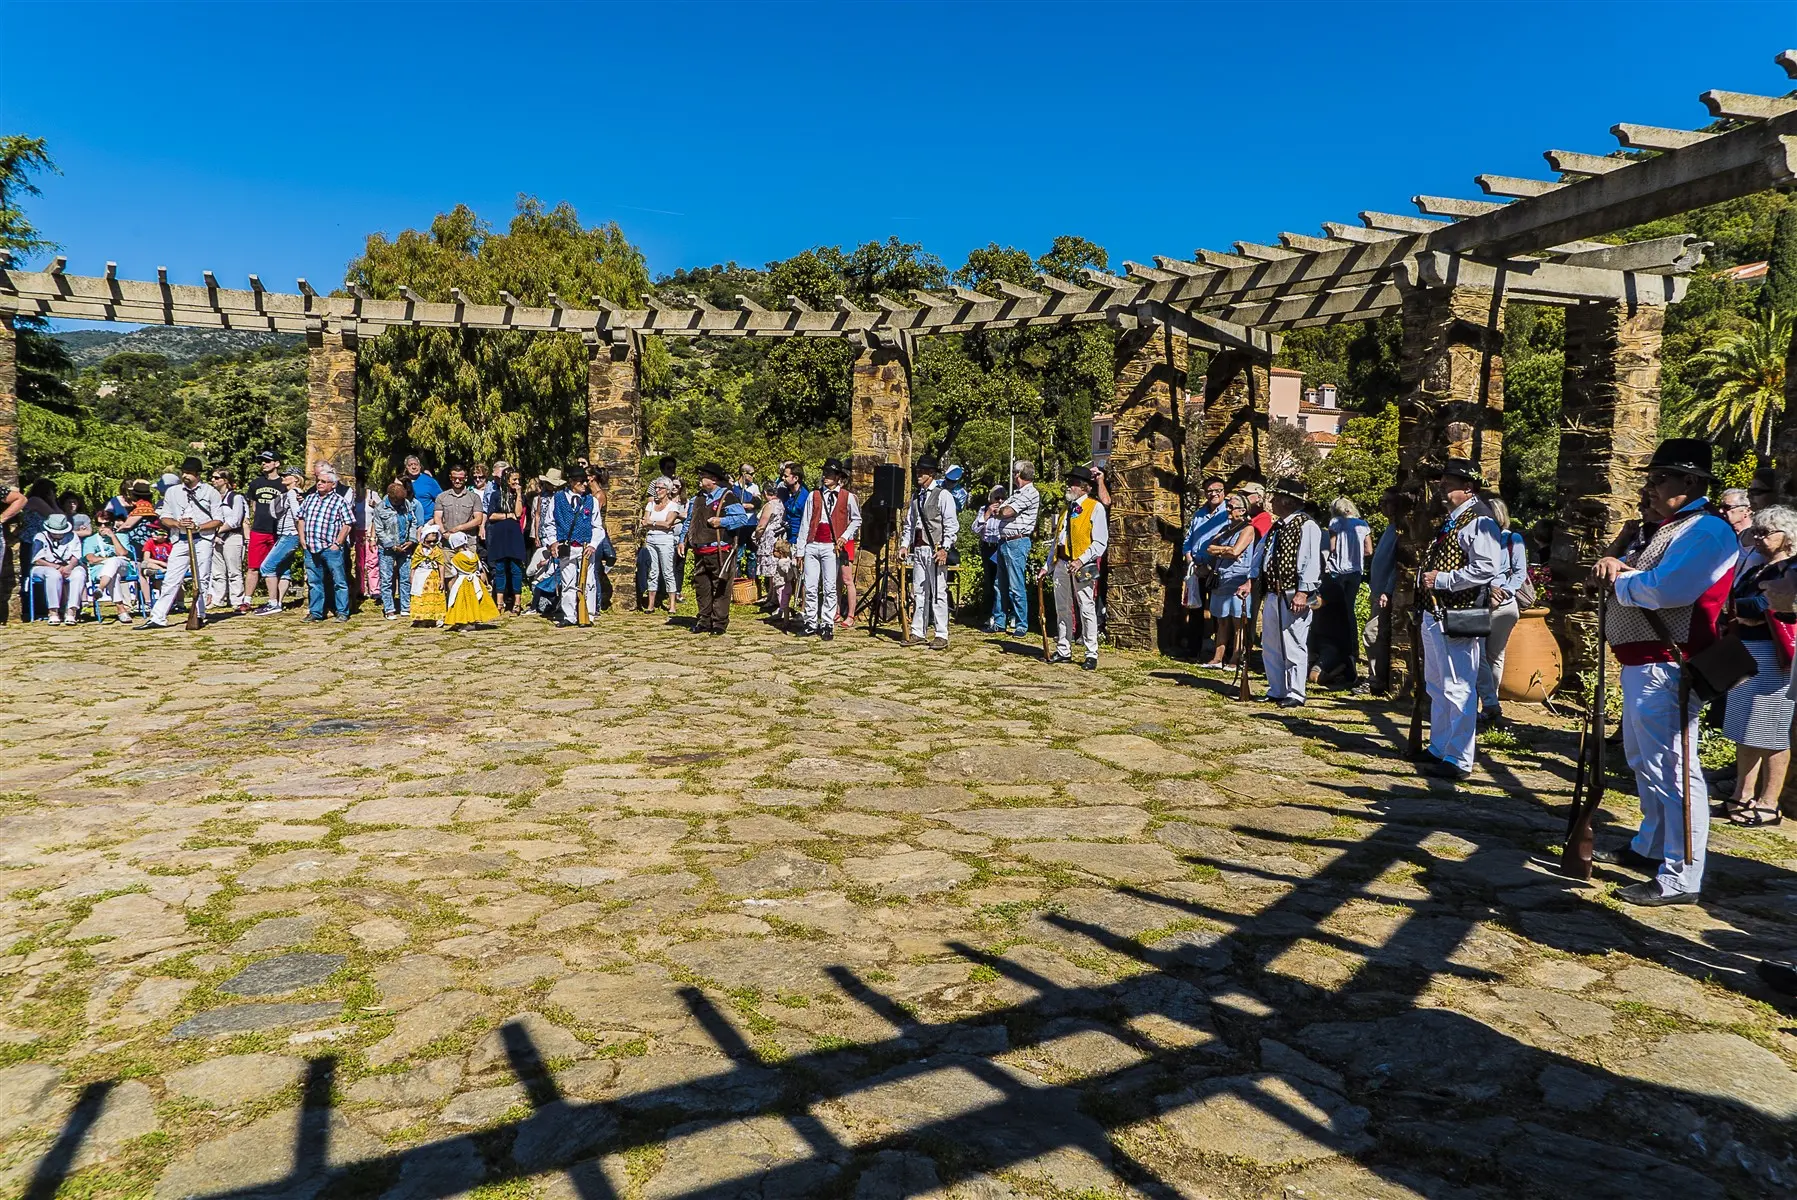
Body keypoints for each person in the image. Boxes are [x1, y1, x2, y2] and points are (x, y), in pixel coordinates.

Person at [1593, 438, 1738, 906]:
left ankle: (1682, 873)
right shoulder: (1668, 528)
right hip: (1643, 663)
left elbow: (1670, 589)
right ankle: (1651, 845)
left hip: (1669, 664)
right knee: (1645, 761)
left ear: (1690, 482)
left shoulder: (1707, 531)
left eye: (1660, 479)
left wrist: (1622, 580)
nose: (1650, 488)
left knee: (1674, 769)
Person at [1416, 460, 1504, 779]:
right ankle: (1440, 747)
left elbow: (1486, 567)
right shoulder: (1454, 520)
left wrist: (1443, 580)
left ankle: (1459, 758)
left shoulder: (1480, 521)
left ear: (1468, 488)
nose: (1442, 488)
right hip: (1437, 611)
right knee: (1438, 684)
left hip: (1460, 611)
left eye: (1448, 484)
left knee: (1459, 686)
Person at [1717, 505, 1797, 826]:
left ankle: (1768, 803)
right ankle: (1741, 795)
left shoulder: (1791, 569)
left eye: (1767, 533)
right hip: (1747, 649)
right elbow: (1741, 600)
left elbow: (1768, 603)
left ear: (1787, 535)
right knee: (1744, 729)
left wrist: (1733, 607)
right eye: (1757, 532)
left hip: (1775, 654)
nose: (1760, 539)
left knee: (1772, 733)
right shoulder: (1759, 568)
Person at [1249, 479, 1321, 709]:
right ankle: (1277, 689)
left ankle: (1296, 692)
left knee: (1294, 643)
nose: (1271, 502)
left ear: (1287, 501)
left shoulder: (1306, 525)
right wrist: (1251, 582)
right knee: (1271, 644)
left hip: (1292, 594)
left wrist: (1303, 591)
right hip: (1273, 593)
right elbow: (1263, 554)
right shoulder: (1278, 526)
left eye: (1276, 498)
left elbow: (1310, 562)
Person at [140, 457, 222, 631]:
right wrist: (177, 524)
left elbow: (218, 520)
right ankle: (158, 616)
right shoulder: (173, 492)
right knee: (171, 578)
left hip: (203, 540)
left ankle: (199, 614)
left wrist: (199, 526)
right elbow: (165, 517)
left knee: (201, 579)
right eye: (184, 472)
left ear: (198, 475)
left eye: (189, 473)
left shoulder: (210, 492)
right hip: (180, 539)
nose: (185, 476)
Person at [1043, 465, 1109, 670]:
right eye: (1069, 482)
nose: (1069, 486)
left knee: (1086, 606)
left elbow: (1100, 542)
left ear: (1085, 487)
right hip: (1062, 563)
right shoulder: (1066, 509)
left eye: (1073, 483)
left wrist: (1081, 559)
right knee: (1062, 607)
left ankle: (1091, 652)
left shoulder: (1094, 507)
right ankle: (1064, 648)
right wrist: (1048, 565)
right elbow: (1057, 540)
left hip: (1082, 564)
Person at [1475, 498, 1530, 731]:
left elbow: (1520, 573)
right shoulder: (1478, 537)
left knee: (1494, 656)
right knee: (1476, 654)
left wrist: (1503, 592)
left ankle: (1490, 703)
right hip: (1478, 601)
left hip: (1504, 605)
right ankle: (1490, 703)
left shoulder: (1512, 540)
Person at [686, 462, 755, 635]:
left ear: (714, 479)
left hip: (720, 549)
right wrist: (683, 540)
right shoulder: (697, 498)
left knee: (722, 587)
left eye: (704, 475)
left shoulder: (728, 497)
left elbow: (741, 518)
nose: (700, 478)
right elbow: (689, 521)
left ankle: (719, 623)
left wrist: (721, 522)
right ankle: (704, 620)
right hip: (700, 549)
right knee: (702, 588)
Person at [795, 459, 860, 640]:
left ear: (838, 477)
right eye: (825, 473)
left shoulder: (847, 497)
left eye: (830, 474)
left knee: (830, 586)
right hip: (813, 543)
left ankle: (827, 623)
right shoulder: (814, 495)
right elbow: (805, 522)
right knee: (810, 585)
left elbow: (856, 519)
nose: (826, 477)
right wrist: (801, 550)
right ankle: (810, 621)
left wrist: (845, 536)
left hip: (831, 546)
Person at [901, 456, 957, 650]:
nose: (919, 474)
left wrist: (945, 548)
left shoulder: (943, 496)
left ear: (931, 474)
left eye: (923, 471)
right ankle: (918, 631)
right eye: (918, 471)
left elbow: (951, 525)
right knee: (919, 591)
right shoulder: (916, 497)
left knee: (939, 592)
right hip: (919, 549)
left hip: (935, 549)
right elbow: (910, 524)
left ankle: (941, 633)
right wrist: (904, 545)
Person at [1318, 497, 1372, 688]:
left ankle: (1339, 650)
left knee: (1336, 611)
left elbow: (1332, 548)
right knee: (1350, 610)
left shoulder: (1335, 523)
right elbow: (1368, 550)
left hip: (1338, 571)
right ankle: (1353, 647)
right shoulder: (1362, 524)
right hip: (1356, 571)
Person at [1361, 488, 1407, 697]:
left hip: (1385, 593)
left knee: (1372, 633)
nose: (1383, 506)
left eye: (1387, 502)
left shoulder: (1400, 530)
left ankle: (1376, 680)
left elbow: (1399, 564)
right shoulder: (1390, 528)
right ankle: (1377, 679)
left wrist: (1388, 591)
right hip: (1377, 590)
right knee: (1376, 634)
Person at [1202, 494, 1257, 669]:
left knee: (1238, 621)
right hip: (1222, 578)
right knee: (1222, 619)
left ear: (1242, 510)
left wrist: (1225, 551)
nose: (1227, 510)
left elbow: (1236, 552)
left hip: (1237, 579)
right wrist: (1225, 549)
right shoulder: (1226, 528)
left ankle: (1236, 658)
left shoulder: (1248, 529)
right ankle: (1218, 658)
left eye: (1231, 507)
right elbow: (1209, 547)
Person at [297, 464, 354, 623]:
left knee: (339, 581)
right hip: (311, 547)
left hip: (330, 548)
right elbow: (300, 518)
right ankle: (316, 612)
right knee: (314, 582)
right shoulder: (310, 499)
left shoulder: (339, 501)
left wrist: (338, 542)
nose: (319, 483)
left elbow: (348, 523)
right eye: (318, 480)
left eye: (323, 481)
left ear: (333, 484)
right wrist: (302, 539)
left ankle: (342, 612)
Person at [1183, 477, 1233, 657]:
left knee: (1219, 611)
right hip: (1197, 569)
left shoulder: (1228, 514)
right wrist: (1191, 561)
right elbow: (1188, 541)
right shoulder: (1199, 515)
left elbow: (1229, 544)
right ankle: (1193, 649)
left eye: (1217, 490)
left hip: (1217, 570)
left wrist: (1210, 566)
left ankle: (1221, 651)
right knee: (1195, 608)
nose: (1213, 493)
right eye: (1209, 490)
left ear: (1224, 491)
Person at [991, 461, 1040, 637]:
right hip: (1004, 541)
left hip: (1017, 542)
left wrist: (999, 511)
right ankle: (999, 621)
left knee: (1016, 585)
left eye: (1014, 472)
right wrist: (1000, 510)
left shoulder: (1030, 493)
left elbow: (1005, 512)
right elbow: (1002, 509)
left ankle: (1021, 624)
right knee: (999, 584)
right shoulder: (1016, 494)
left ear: (1019, 474)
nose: (1012, 475)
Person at [551, 467, 602, 627]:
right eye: (582, 482)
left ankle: (589, 615)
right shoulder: (557, 499)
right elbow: (549, 523)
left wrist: (593, 545)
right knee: (567, 581)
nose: (585, 484)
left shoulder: (591, 500)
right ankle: (569, 616)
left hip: (585, 546)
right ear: (572, 482)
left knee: (589, 582)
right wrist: (553, 542)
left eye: (586, 481)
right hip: (566, 547)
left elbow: (598, 527)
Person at [252, 468, 304, 614]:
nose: (284, 477)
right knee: (284, 570)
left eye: (288, 475)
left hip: (289, 535)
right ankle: (279, 602)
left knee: (267, 567)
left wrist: (300, 535)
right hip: (286, 535)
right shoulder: (292, 494)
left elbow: (297, 514)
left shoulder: (293, 494)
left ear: (295, 479)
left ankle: (273, 602)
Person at [373, 481, 424, 619]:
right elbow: (379, 529)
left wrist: (412, 539)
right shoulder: (380, 508)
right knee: (387, 579)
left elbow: (413, 522)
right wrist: (390, 544)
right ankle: (389, 608)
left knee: (405, 577)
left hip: (405, 546)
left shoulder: (407, 504)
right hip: (387, 549)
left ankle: (405, 606)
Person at [243, 452, 286, 614]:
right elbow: (253, 505)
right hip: (258, 530)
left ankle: (274, 601)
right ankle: (247, 600)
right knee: (253, 566)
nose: (264, 464)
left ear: (277, 463)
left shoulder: (283, 483)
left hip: (277, 531)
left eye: (268, 461)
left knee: (273, 567)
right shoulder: (255, 483)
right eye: (262, 461)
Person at [204, 467, 248, 612]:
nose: (213, 480)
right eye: (212, 478)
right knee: (217, 571)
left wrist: (218, 530)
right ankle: (218, 599)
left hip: (233, 536)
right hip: (215, 538)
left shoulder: (235, 498)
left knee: (234, 571)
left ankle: (237, 600)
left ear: (226, 480)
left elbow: (236, 519)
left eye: (217, 478)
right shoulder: (213, 497)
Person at [485, 467, 528, 614]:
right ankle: (500, 601)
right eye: (514, 479)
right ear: (507, 480)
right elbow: (491, 515)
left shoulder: (520, 496)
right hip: (500, 534)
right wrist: (506, 516)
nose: (516, 482)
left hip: (514, 534)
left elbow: (518, 513)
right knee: (500, 568)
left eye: (518, 479)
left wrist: (519, 494)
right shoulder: (496, 495)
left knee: (516, 568)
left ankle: (517, 602)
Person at [31, 513, 87, 625]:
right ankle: (53, 612)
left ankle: (71, 611)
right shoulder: (40, 537)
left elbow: (76, 556)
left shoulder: (73, 536)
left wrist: (69, 567)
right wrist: (57, 567)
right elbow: (37, 559)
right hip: (44, 567)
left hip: (68, 565)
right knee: (53, 575)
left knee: (80, 573)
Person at [84, 511, 136, 623]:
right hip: (100, 569)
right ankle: (121, 609)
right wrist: (108, 560)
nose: (103, 527)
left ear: (112, 524)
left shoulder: (121, 536)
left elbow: (122, 553)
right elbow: (91, 559)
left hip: (123, 566)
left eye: (106, 524)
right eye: (99, 524)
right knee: (114, 574)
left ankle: (100, 588)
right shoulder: (90, 540)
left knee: (114, 562)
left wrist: (113, 536)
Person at [642, 478, 683, 612]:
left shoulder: (673, 506)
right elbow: (644, 521)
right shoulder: (651, 504)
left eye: (660, 488)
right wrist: (654, 523)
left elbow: (668, 523)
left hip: (665, 540)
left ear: (668, 490)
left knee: (667, 571)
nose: (657, 491)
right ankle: (651, 604)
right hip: (651, 539)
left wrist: (652, 523)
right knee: (652, 571)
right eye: (656, 488)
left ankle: (672, 605)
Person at [443, 532, 499, 629]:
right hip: (475, 581)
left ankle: (465, 622)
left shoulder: (456, 558)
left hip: (462, 581)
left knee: (463, 602)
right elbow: (479, 568)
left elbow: (453, 572)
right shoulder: (473, 555)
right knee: (474, 600)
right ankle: (473, 620)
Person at [974, 485, 1007, 632]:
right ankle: (988, 615)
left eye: (1002, 498)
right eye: (996, 498)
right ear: (990, 498)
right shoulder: (983, 510)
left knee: (999, 583)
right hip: (987, 547)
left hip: (1000, 546)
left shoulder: (1007, 511)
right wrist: (987, 514)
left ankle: (1001, 616)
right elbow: (974, 529)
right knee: (989, 582)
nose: (999, 501)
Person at [753, 482, 789, 607]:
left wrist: (756, 536)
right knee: (774, 569)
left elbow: (762, 524)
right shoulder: (781, 504)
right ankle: (771, 595)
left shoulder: (770, 505)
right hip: (778, 536)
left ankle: (773, 597)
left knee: (772, 569)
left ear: (765, 493)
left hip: (769, 538)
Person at [434, 465, 485, 544]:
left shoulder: (474, 497)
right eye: (454, 478)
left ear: (465, 478)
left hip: (468, 543)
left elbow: (478, 519)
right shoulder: (441, 497)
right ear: (450, 478)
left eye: (460, 479)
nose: (457, 481)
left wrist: (459, 528)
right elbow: (437, 518)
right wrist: (444, 533)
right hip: (447, 543)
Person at [408, 525, 447, 626]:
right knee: (421, 596)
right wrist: (412, 576)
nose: (432, 544)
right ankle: (423, 618)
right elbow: (414, 564)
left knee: (434, 597)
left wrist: (442, 580)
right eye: (429, 542)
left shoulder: (437, 551)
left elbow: (441, 565)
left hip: (433, 576)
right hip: (420, 576)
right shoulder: (419, 550)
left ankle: (437, 617)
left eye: (434, 541)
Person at [403, 455, 441, 520]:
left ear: (420, 466)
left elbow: (441, 500)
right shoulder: (402, 481)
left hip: (428, 522)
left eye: (416, 464)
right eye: (410, 465)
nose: (414, 467)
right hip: (408, 522)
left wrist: (435, 519)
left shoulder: (429, 481)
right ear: (406, 467)